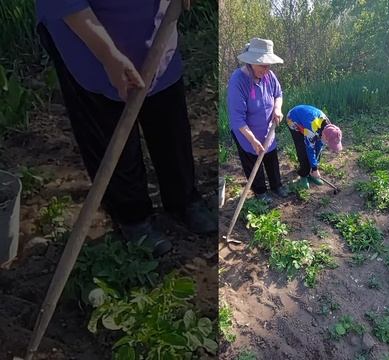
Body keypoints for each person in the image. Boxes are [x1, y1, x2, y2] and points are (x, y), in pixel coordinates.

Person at [35, 0, 217, 257]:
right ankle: (133, 216)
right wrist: (109, 56)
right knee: (108, 131)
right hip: (85, 32)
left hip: (155, 27)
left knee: (169, 121)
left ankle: (183, 199)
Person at [227, 38, 289, 203]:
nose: (267, 69)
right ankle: (260, 191)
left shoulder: (268, 75)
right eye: (263, 65)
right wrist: (253, 141)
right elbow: (237, 119)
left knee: (271, 157)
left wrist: (277, 109)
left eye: (269, 65)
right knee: (252, 161)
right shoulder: (238, 81)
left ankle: (276, 185)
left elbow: (278, 94)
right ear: (251, 62)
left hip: (267, 129)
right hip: (246, 133)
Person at [286, 104, 343, 189]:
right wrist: (315, 167)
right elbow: (310, 149)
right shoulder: (311, 129)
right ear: (325, 137)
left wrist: (314, 167)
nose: (329, 145)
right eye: (329, 142)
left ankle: (312, 173)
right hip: (294, 119)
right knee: (303, 150)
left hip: (308, 121)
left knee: (317, 148)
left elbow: (319, 146)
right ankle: (304, 175)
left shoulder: (329, 128)